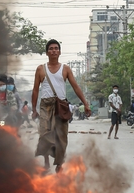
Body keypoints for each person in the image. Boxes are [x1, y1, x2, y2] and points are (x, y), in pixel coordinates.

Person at [31, 39, 91, 173]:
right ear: (47, 52)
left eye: (56, 48)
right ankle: (46, 161)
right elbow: (35, 90)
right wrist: (34, 109)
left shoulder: (66, 69)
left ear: (59, 52)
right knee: (45, 134)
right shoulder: (41, 69)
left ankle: (59, 164)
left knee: (61, 136)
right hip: (46, 105)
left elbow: (76, 87)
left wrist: (86, 104)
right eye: (51, 48)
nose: (54, 50)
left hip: (61, 105)